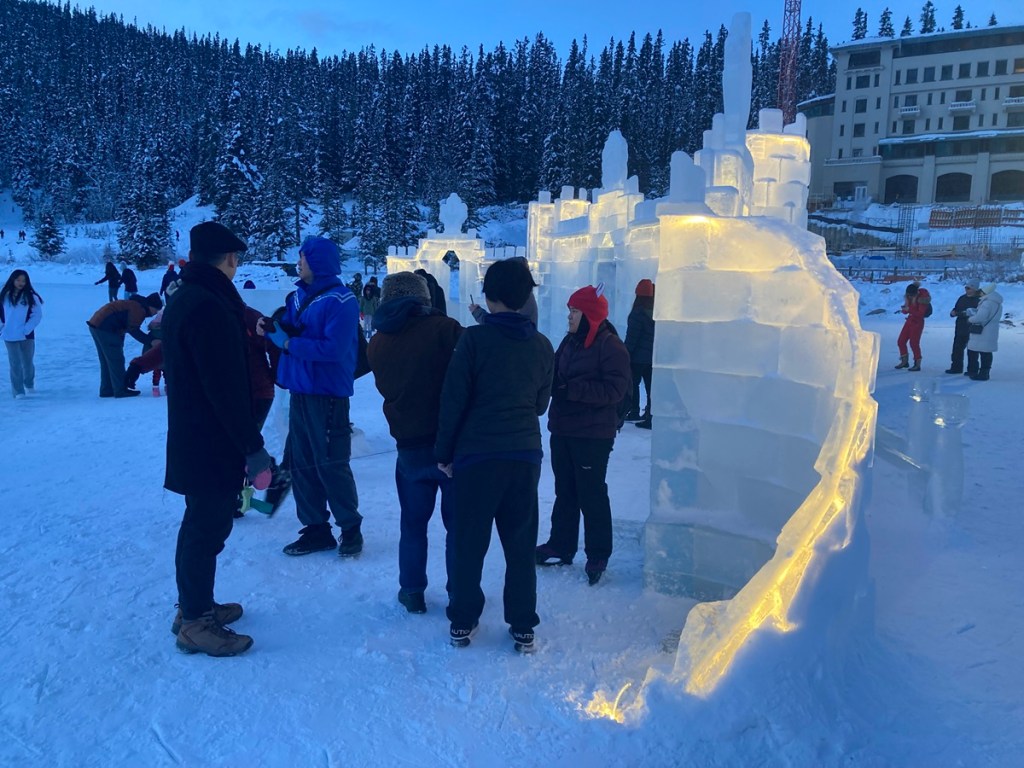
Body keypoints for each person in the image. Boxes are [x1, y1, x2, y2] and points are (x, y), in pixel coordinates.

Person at [163, 220, 271, 657]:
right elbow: (223, 387)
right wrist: (252, 446)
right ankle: (194, 622)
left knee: (203, 525)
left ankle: (195, 605)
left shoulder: (189, 296)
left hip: (197, 434)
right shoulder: (208, 304)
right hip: (210, 439)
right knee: (206, 528)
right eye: (237, 259)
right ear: (229, 260)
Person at [435, 257, 554, 653]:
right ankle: (523, 624)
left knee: (469, 541)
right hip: (523, 455)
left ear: (489, 296)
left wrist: (443, 451)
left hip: (476, 456)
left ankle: (463, 619)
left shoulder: (473, 340)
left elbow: (453, 400)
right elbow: (540, 404)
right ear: (524, 298)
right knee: (520, 543)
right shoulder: (541, 345)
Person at [367, 272, 463, 614]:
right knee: (458, 527)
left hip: (408, 447)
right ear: (423, 298)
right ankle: (458, 591)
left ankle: (411, 591)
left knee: (412, 523)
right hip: (451, 447)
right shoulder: (445, 329)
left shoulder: (377, 342)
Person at [262, 237, 364, 557]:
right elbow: (291, 329)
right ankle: (316, 528)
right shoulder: (296, 297)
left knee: (332, 463)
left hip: (328, 396)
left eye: (303, 258)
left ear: (318, 262)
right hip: (300, 392)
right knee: (302, 464)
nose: (299, 263)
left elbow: (333, 350)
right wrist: (273, 327)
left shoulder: (342, 301)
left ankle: (350, 529)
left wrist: (289, 344)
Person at [536, 284, 631, 586]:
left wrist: (571, 390)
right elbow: (554, 372)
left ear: (590, 315)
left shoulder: (610, 346)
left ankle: (597, 553)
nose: (569, 316)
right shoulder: (569, 342)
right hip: (563, 429)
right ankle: (561, 545)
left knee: (591, 493)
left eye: (575, 311)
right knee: (565, 490)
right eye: (569, 310)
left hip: (593, 435)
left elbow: (616, 390)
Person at [86, 292, 162, 398]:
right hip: (106, 329)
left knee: (106, 360)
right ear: (151, 306)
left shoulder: (134, 304)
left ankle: (107, 389)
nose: (155, 313)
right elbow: (133, 329)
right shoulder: (138, 309)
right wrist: (151, 341)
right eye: (156, 310)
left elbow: (124, 323)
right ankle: (120, 390)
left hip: (96, 325)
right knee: (116, 360)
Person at [1, 269, 44, 398]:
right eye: (18, 280)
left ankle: (29, 383)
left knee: (27, 362)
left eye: (23, 280)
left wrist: (26, 330)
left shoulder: (31, 297)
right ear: (13, 280)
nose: (21, 283)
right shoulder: (4, 296)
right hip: (9, 335)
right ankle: (18, 391)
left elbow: (37, 315)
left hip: (27, 336)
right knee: (15, 363)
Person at [623, 278, 655, 428]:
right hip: (652, 358)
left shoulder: (637, 314)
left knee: (632, 384)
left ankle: (633, 410)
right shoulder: (655, 313)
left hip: (637, 358)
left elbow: (632, 338)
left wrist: (624, 353)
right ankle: (650, 415)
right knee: (650, 388)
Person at [965, 283, 1003, 381]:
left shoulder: (987, 303)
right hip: (991, 330)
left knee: (978, 351)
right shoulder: (997, 303)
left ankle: (980, 373)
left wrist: (970, 319)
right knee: (986, 352)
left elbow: (980, 317)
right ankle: (984, 372)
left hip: (983, 331)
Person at [945, 278, 982, 374]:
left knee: (972, 351)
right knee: (957, 349)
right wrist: (953, 312)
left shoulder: (979, 300)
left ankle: (972, 370)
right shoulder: (962, 298)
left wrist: (959, 313)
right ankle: (956, 368)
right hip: (960, 328)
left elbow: (975, 313)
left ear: (975, 289)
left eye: (969, 288)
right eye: (966, 288)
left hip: (972, 328)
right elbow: (956, 309)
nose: (967, 290)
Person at [894, 282, 931, 371]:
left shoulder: (922, 299)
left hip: (918, 322)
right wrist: (905, 309)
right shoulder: (908, 297)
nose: (910, 297)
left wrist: (909, 309)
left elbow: (920, 314)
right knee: (901, 341)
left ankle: (917, 363)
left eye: (911, 296)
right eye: (908, 295)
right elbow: (907, 311)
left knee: (914, 343)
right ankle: (904, 361)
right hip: (910, 320)